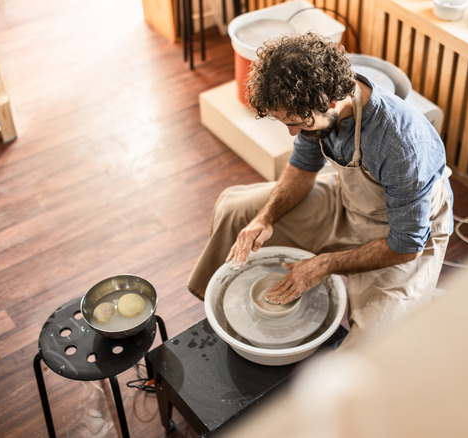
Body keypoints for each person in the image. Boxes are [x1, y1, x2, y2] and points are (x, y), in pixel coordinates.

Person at [188, 31, 453, 345]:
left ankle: (421, 301)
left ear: (331, 101)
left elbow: (405, 246)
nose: (292, 132)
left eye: (298, 123)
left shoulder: (401, 146)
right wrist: (265, 219)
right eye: (286, 122)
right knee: (238, 210)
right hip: (349, 203)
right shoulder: (313, 104)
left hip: (402, 238)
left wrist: (324, 264)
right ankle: (221, 310)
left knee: (371, 353)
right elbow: (302, 170)